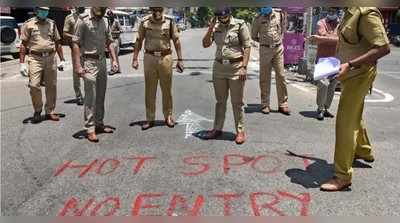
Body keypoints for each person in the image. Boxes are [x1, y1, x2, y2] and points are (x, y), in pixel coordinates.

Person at [310, 7, 390, 191]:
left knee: (345, 122)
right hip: (348, 73)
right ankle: (364, 151)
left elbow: (383, 47)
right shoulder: (349, 12)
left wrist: (350, 64)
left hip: (359, 74)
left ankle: (342, 176)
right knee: (355, 114)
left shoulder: (366, 13)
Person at [202, 7, 251, 144]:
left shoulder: (240, 24)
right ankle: (217, 128)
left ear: (229, 15)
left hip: (236, 67)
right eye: (219, 18)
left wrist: (244, 67)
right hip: (219, 68)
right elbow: (205, 44)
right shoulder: (216, 26)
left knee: (237, 102)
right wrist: (211, 27)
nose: (222, 19)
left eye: (224, 17)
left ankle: (240, 131)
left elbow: (247, 46)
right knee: (220, 101)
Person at [132, 7, 184, 130]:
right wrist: (134, 58)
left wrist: (180, 59)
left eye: (159, 9)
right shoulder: (144, 22)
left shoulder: (170, 22)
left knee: (166, 89)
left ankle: (168, 116)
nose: (157, 12)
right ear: (151, 10)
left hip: (165, 57)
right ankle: (150, 118)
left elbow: (176, 40)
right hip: (149, 57)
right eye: (154, 9)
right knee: (150, 90)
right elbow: (139, 40)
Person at [72, 7, 119, 143]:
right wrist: (78, 66)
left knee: (101, 94)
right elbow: (75, 43)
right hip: (88, 63)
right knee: (90, 97)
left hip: (102, 61)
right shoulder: (82, 21)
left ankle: (99, 123)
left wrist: (114, 60)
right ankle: (90, 128)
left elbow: (109, 41)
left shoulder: (105, 21)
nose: (103, 10)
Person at [19, 7, 65, 123]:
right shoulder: (28, 24)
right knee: (34, 85)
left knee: (51, 86)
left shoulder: (52, 24)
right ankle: (38, 110)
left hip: (50, 57)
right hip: (35, 58)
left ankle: (50, 111)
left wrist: (62, 59)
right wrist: (22, 63)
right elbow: (23, 45)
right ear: (36, 10)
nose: (45, 12)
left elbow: (57, 42)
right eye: (42, 10)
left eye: (47, 10)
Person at [251, 7, 290, 115]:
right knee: (264, 77)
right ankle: (265, 104)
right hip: (265, 49)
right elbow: (253, 36)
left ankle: (283, 104)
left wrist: (276, 41)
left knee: (281, 75)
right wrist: (265, 42)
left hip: (278, 49)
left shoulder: (279, 14)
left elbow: (282, 29)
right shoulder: (258, 18)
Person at [309, 7, 340, 120]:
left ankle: (326, 108)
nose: (331, 12)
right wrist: (334, 39)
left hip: (335, 60)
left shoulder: (341, 25)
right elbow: (322, 38)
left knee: (332, 86)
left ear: (337, 12)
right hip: (322, 59)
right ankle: (320, 109)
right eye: (330, 10)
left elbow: (340, 40)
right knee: (323, 85)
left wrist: (324, 39)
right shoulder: (320, 22)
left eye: (334, 11)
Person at [63, 7, 87, 105]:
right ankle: (79, 96)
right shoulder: (69, 18)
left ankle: (89, 94)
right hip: (75, 48)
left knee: (89, 71)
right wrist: (74, 37)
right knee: (77, 73)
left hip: (88, 48)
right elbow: (64, 33)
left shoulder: (88, 15)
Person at [107, 10, 122, 74]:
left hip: (115, 39)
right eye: (109, 16)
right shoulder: (108, 22)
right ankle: (117, 69)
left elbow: (121, 30)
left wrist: (113, 32)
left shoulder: (116, 21)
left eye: (111, 15)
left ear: (113, 15)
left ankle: (114, 69)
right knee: (112, 55)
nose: (110, 17)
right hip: (110, 40)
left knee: (113, 55)